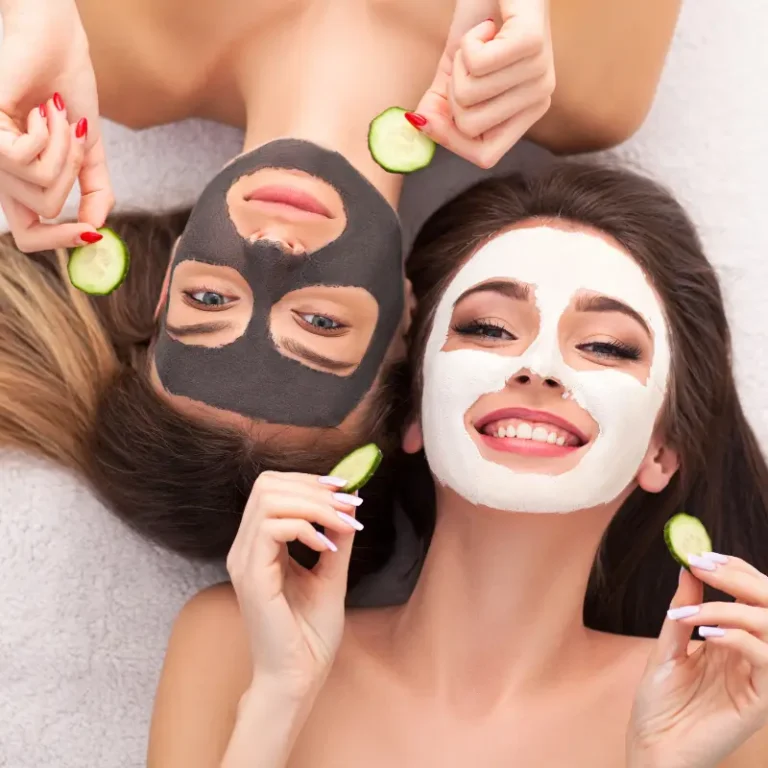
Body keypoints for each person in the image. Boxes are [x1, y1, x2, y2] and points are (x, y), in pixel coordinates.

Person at [0, 0, 682, 571]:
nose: (270, 253)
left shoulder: (108, 52)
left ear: (170, 275)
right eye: (321, 323)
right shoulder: (584, 84)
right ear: (408, 321)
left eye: (209, 301)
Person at [148, 162, 768, 766]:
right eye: (491, 328)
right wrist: (279, 699)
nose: (540, 366)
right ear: (415, 406)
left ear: (662, 452)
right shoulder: (240, 648)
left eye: (605, 346)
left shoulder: (727, 708)